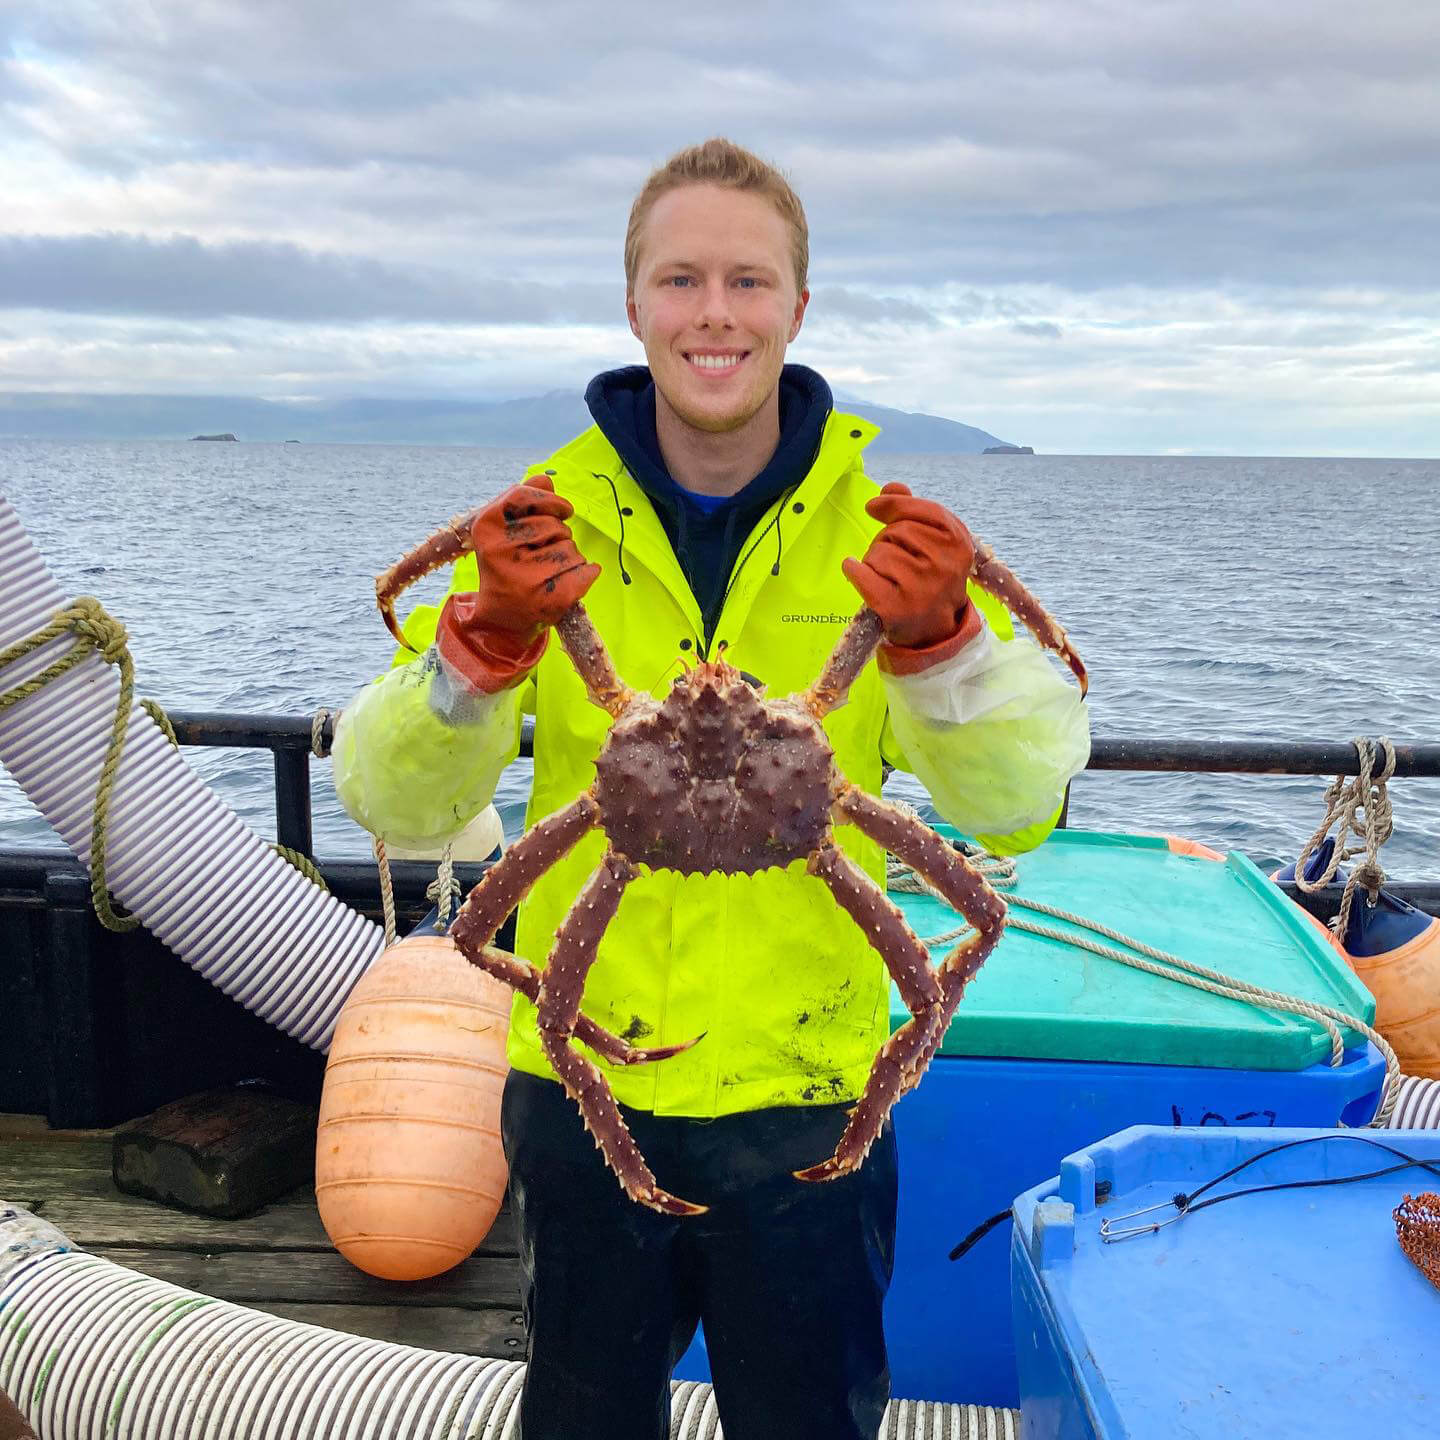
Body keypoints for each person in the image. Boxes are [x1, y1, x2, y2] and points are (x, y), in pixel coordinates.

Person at [332, 137, 1090, 1440]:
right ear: (635, 305)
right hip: (586, 1089)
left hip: (815, 1099)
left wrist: (955, 650)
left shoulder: (880, 538)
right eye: (682, 279)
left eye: (750, 280)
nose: (716, 312)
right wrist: (474, 650)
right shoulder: (540, 526)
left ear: (800, 304)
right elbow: (393, 804)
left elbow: (1018, 816)